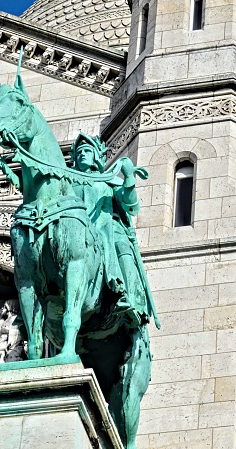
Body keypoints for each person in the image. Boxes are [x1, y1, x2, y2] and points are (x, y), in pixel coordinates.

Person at [70, 133, 159, 329]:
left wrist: (128, 178)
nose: (83, 154)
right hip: (74, 233)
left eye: (87, 151)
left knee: (121, 247)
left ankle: (125, 296)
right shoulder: (67, 184)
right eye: (79, 152)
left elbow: (131, 205)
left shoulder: (107, 181)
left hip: (107, 230)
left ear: (96, 157)